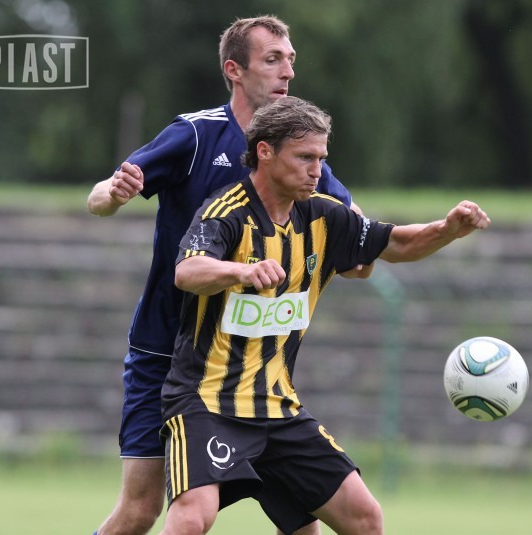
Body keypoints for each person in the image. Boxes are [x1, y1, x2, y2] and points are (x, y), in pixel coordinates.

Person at [87, 16, 369, 535]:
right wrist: (114, 194)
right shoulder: (195, 135)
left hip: (249, 370)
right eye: (272, 59)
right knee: (140, 510)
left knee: (304, 523)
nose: (287, 71)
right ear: (234, 70)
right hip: (166, 352)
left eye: (290, 60)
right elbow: (100, 197)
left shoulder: (300, 153)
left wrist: (364, 249)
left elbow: (356, 247)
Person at [160, 96, 491, 534]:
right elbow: (187, 272)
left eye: (321, 158)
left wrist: (447, 230)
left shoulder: (324, 215)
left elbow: (397, 243)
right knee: (191, 518)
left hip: (278, 408)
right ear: (265, 151)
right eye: (305, 157)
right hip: (207, 403)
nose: (316, 170)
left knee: (364, 518)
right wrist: (242, 271)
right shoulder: (226, 212)